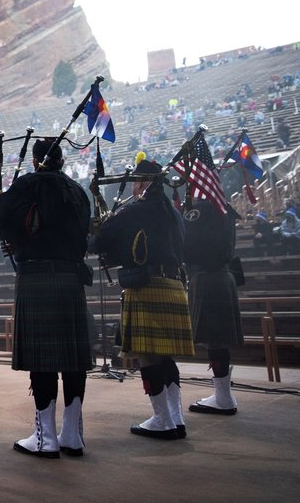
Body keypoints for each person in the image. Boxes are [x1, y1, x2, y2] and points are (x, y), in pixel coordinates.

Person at [0, 138, 93, 458]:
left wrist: (2, 209)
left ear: (34, 161)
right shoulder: (77, 192)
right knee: (73, 360)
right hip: (71, 278)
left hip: (35, 278)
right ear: (62, 161)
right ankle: (72, 435)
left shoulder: (25, 185)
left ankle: (45, 438)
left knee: (42, 360)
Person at [95, 153, 193, 440]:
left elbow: (103, 240)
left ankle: (161, 420)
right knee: (166, 357)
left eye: (137, 181)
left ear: (145, 182)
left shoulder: (136, 210)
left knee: (148, 356)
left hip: (147, 285)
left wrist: (104, 225)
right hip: (174, 284)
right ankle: (176, 418)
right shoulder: (174, 213)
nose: (134, 187)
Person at [184, 197, 244, 416]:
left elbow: (187, 244)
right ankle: (223, 394)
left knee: (214, 339)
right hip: (224, 275)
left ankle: (223, 398)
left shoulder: (200, 209)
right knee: (218, 341)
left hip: (206, 276)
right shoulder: (224, 207)